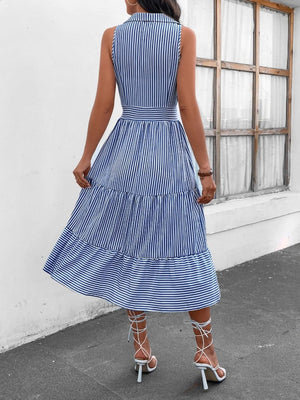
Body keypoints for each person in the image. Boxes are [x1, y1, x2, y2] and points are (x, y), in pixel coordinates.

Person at [43, 0, 226, 391]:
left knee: (130, 246)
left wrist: (87, 156)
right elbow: (188, 105)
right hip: (166, 156)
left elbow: (105, 104)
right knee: (184, 244)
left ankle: (142, 346)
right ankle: (205, 351)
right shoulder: (182, 35)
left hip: (123, 154)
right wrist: (205, 169)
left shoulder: (113, 36)